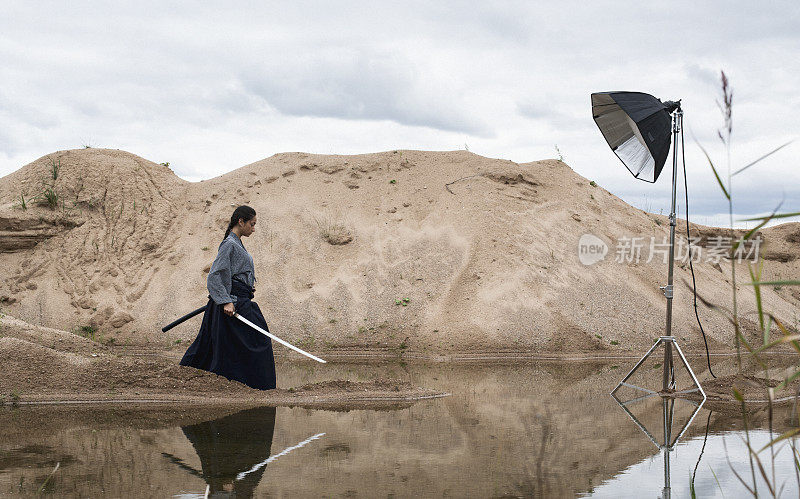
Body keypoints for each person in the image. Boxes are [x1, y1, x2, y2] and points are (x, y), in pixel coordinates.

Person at [180, 205, 276, 390]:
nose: (254, 229)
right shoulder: (229, 244)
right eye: (252, 224)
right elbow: (215, 275)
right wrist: (226, 301)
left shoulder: (236, 243)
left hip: (239, 300)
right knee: (258, 340)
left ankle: (245, 384)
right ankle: (251, 385)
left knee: (228, 345)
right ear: (241, 221)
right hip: (233, 303)